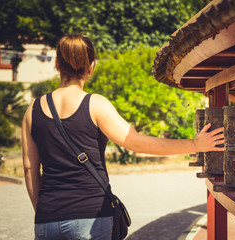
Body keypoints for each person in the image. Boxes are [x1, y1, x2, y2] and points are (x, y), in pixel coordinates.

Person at [22, 33, 224, 240]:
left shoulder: (32, 109)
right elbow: (137, 143)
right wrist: (196, 144)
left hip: (47, 217)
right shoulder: (95, 105)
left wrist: (45, 212)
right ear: (91, 66)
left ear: (56, 64)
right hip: (91, 216)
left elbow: (29, 169)